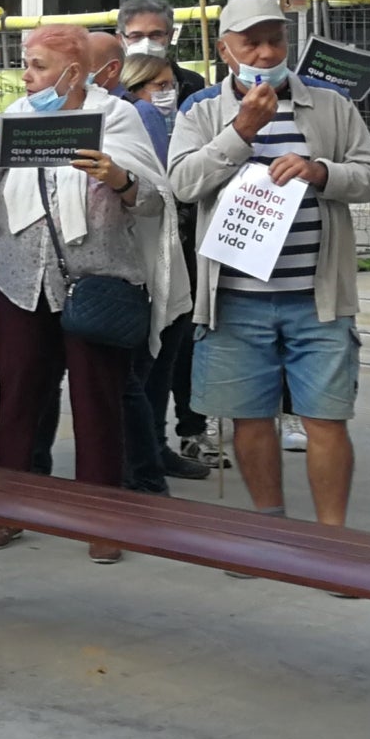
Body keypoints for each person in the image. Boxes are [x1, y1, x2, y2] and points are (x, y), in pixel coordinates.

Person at [169, 0, 370, 528]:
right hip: (236, 300)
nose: (267, 53)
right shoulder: (201, 110)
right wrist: (240, 132)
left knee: (327, 419)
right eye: (252, 43)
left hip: (319, 299)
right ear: (225, 50)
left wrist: (320, 171)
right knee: (250, 419)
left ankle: (332, 538)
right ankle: (270, 528)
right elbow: (182, 182)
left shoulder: (331, 105)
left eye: (276, 40)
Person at [0, 24, 169, 560]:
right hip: (21, 279)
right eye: (25, 64)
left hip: (95, 278)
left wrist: (119, 178)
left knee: (97, 400)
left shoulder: (115, 116)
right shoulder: (17, 118)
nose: (25, 76)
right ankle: (8, 508)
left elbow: (152, 200)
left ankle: (103, 518)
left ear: (73, 72)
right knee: (20, 395)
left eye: (37, 65)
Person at [114, 48, 211, 492]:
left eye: (171, 84)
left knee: (155, 359)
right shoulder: (144, 117)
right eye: (161, 86)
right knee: (157, 358)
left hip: (155, 252)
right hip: (164, 253)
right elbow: (169, 187)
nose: (169, 93)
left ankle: (147, 448)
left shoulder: (132, 116)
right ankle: (148, 451)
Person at [116, 0, 210, 104]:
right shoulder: (109, 86)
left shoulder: (193, 84)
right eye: (136, 36)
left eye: (156, 35)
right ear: (120, 39)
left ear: (170, 36)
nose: (146, 43)